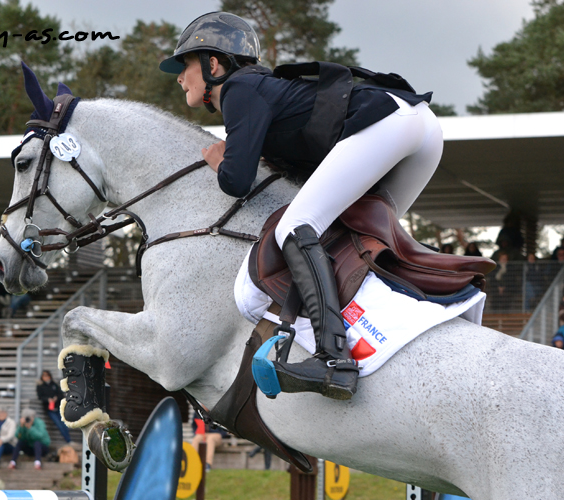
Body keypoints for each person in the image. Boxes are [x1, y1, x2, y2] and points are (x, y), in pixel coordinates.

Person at [161, 12, 442, 400]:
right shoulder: (260, 88)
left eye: (185, 64)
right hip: (422, 128)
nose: (179, 77)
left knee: (295, 227)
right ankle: (397, 330)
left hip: (388, 121)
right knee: (359, 237)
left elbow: (236, 181)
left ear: (213, 64)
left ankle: (333, 358)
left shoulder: (239, 90)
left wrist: (217, 159)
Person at [36, 370, 71, 444]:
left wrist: (56, 398)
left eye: (47, 375)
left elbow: (61, 395)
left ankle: (69, 440)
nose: (46, 377)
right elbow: (40, 397)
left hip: (57, 407)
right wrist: (48, 399)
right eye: (44, 376)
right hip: (49, 409)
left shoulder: (54, 385)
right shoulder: (40, 386)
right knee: (59, 424)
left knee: (64, 424)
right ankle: (68, 441)